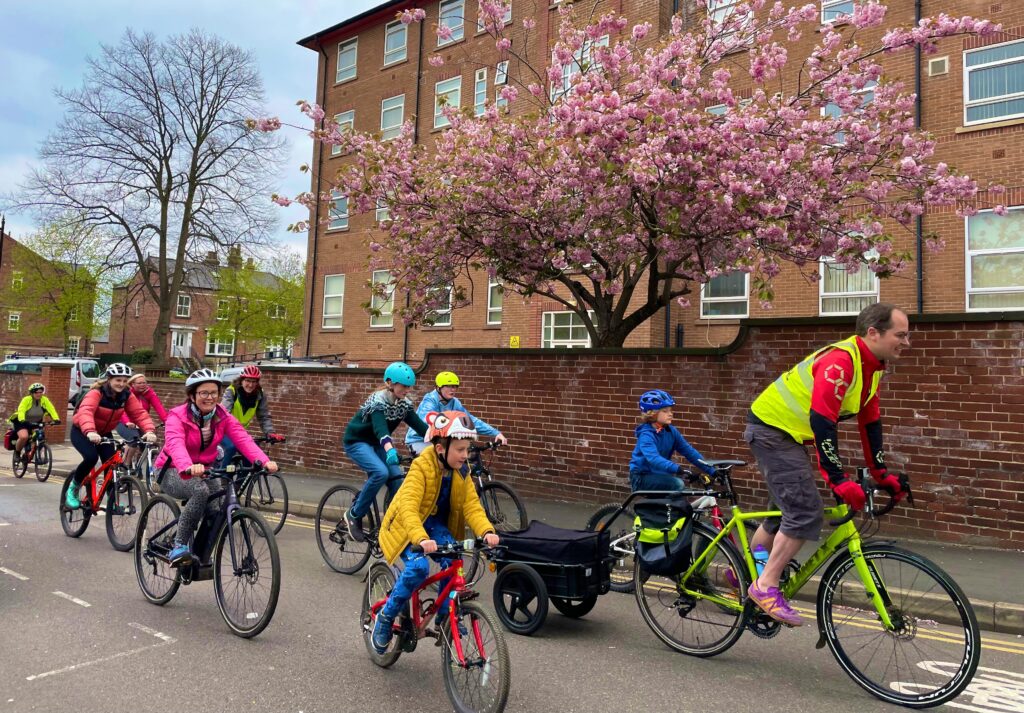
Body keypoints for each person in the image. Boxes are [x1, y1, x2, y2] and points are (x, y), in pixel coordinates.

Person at [743, 302, 910, 626]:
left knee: (785, 505)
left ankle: (749, 571)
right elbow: (823, 422)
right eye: (900, 335)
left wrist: (881, 474)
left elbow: (870, 423)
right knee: (805, 511)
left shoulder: (872, 366)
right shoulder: (841, 362)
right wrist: (837, 479)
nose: (906, 342)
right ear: (873, 333)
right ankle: (764, 585)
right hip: (771, 430)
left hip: (790, 433)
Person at [371, 410, 500, 654]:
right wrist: (420, 538)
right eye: (460, 449)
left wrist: (486, 531)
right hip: (407, 526)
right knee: (418, 569)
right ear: (441, 449)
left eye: (467, 448)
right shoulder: (422, 466)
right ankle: (386, 617)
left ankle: (444, 617)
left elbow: (472, 505)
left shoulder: (462, 470)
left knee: (454, 560)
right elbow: (408, 506)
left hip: (435, 526)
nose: (465, 454)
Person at [153, 369, 278, 566]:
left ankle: (198, 558)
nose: (210, 397)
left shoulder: (222, 416)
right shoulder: (177, 416)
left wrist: (263, 461)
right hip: (172, 469)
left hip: (206, 468)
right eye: (204, 393)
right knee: (199, 490)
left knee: (217, 509)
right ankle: (179, 546)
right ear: (192, 395)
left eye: (214, 393)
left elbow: (243, 439)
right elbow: (175, 443)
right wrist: (187, 466)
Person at [343, 361, 429, 542]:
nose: (407, 390)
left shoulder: (403, 404)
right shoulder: (378, 400)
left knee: (397, 479)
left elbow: (422, 428)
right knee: (380, 473)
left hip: (378, 444)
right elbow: (380, 429)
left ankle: (391, 523)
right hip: (357, 441)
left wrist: (442, 440)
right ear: (390, 383)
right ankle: (354, 514)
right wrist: (390, 449)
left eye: (409, 387)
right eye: (404, 386)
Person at [67, 363, 157, 509]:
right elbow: (86, 411)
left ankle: (112, 501)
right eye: (118, 380)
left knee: (111, 464)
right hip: (82, 431)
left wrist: (149, 431)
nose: (121, 384)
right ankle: (74, 487)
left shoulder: (126, 395)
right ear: (109, 379)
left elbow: (139, 414)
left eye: (124, 380)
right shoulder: (96, 393)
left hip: (103, 433)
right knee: (91, 458)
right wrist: (90, 431)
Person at [629, 389, 717, 491]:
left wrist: (712, 471)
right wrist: (678, 469)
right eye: (665, 411)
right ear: (652, 413)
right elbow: (653, 458)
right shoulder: (646, 435)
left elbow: (690, 452)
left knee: (685, 493)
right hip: (642, 477)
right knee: (677, 484)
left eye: (670, 410)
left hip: (661, 475)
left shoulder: (671, 431)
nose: (670, 414)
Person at [405, 371, 508, 455]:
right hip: (419, 440)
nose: (453, 389)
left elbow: (469, 420)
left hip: (439, 441)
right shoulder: (430, 400)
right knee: (442, 460)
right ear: (438, 388)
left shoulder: (455, 402)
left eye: (455, 386)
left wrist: (495, 433)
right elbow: (428, 419)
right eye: (449, 386)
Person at [219, 365, 283, 466]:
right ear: (241, 380)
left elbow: (264, 416)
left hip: (240, 432)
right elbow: (224, 413)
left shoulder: (259, 395)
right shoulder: (232, 391)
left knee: (253, 453)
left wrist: (270, 433)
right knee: (231, 447)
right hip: (224, 429)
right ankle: (223, 477)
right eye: (248, 381)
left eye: (254, 381)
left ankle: (241, 482)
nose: (251, 384)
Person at [116, 373, 168, 467]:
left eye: (144, 383)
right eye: (139, 383)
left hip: (141, 423)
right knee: (133, 439)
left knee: (148, 444)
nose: (143, 385)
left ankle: (139, 467)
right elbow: (121, 410)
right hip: (124, 422)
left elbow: (159, 408)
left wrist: (168, 422)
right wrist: (127, 421)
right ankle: (126, 464)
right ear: (132, 384)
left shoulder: (149, 393)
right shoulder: (127, 393)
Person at [10, 383, 61, 462]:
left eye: (40, 392)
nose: (39, 394)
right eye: (36, 392)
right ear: (32, 393)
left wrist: (56, 419)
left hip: (36, 422)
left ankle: (34, 452)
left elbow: (51, 409)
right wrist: (22, 419)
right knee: (24, 437)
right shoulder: (26, 399)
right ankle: (17, 453)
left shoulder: (44, 400)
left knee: (40, 435)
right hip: (22, 422)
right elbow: (21, 410)